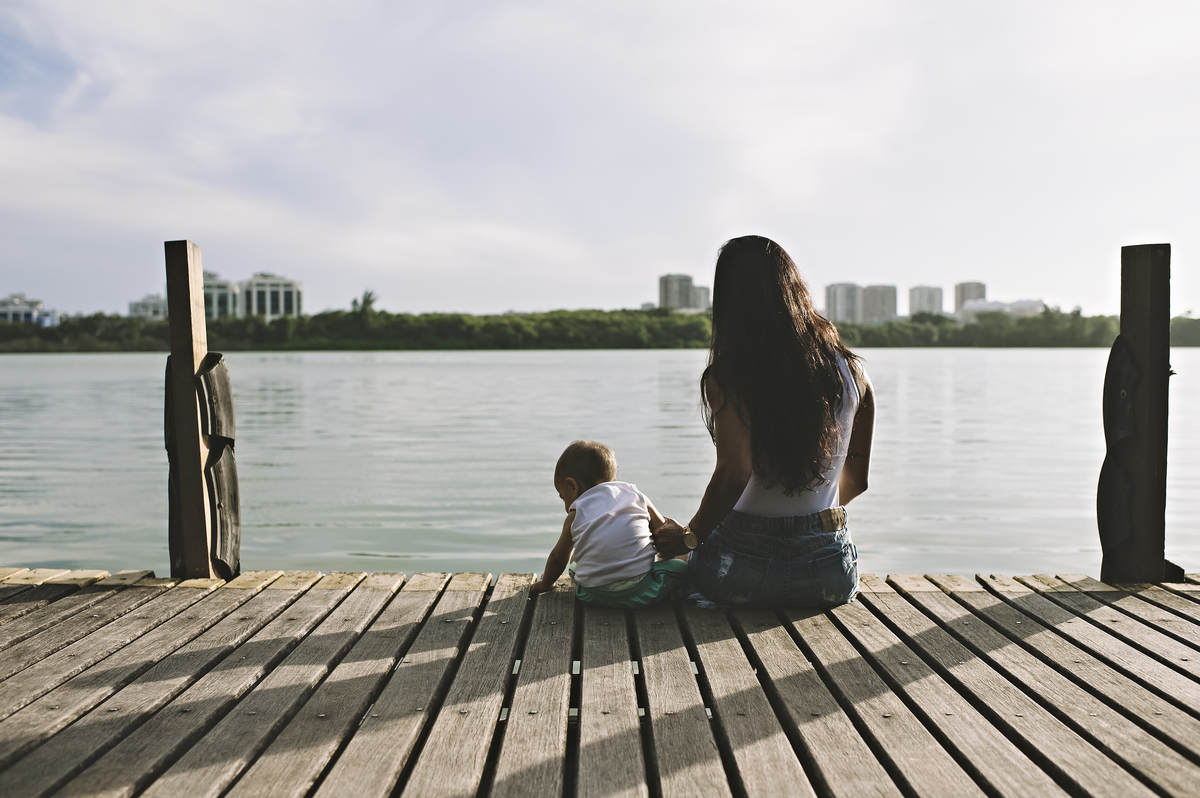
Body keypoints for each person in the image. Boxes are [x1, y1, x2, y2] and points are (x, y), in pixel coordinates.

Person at [651, 235, 875, 608]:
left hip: (742, 573)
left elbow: (735, 474)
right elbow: (858, 480)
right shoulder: (853, 372)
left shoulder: (728, 376)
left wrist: (689, 537)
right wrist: (807, 525)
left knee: (680, 562)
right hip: (829, 575)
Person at [530, 440, 689, 607]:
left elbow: (558, 558)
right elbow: (662, 531)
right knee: (681, 567)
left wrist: (545, 584)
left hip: (591, 594)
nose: (566, 506)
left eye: (563, 497)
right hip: (641, 592)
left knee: (574, 565)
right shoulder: (635, 495)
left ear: (572, 486)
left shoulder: (576, 513)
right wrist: (662, 560)